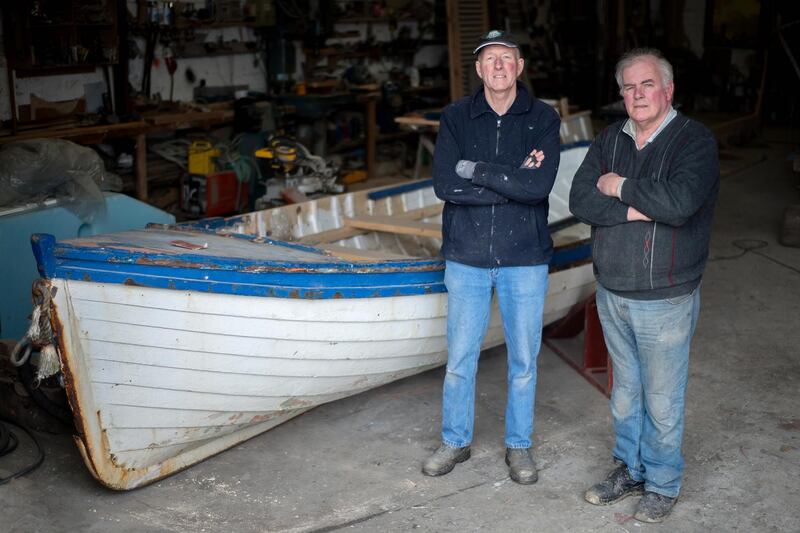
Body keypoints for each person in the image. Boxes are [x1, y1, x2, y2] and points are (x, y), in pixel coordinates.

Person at [569, 48, 719, 522]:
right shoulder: (610, 138)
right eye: (629, 87)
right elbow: (578, 199)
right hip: (613, 289)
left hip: (666, 296)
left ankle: (662, 482)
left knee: (661, 397)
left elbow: (678, 203)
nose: (638, 94)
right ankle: (630, 469)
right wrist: (636, 207)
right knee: (626, 393)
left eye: (647, 84)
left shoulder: (694, 141)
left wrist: (616, 187)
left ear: (668, 90)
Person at [422, 30, 561, 485]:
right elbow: (446, 185)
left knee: (524, 361)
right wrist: (511, 182)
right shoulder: (456, 117)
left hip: (525, 258)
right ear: (479, 69)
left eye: (508, 58)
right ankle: (455, 441)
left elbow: (537, 188)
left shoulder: (542, 118)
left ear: (520, 67)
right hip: (466, 257)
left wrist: (478, 173)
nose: (499, 66)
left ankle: (519, 446)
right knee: (461, 359)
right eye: (490, 59)